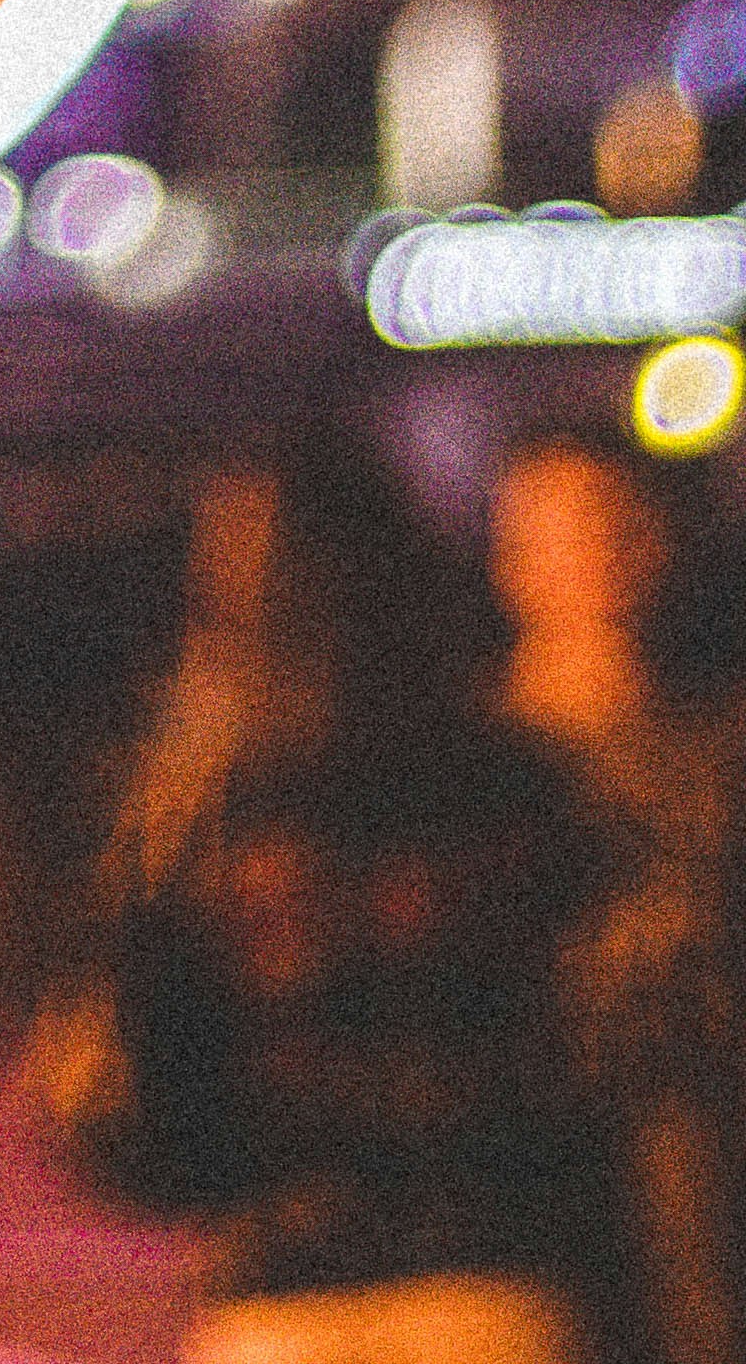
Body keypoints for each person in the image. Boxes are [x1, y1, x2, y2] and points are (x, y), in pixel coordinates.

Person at [39, 426, 631, 1364]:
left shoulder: (198, 819)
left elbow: (142, 1064)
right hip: (491, 1286)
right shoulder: (518, 785)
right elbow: (600, 1036)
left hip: (282, 1299)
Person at [489, 432, 742, 1364]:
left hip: (699, 1133)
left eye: (613, 522)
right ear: (508, 560)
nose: (592, 552)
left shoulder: (719, 741)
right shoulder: (471, 755)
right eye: (558, 529)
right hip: (526, 1139)